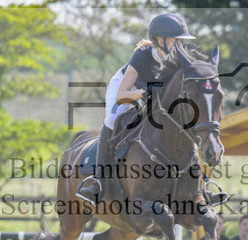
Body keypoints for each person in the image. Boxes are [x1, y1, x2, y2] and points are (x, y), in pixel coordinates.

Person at [76, 12, 196, 205]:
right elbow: (121, 95)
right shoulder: (141, 56)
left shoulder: (178, 60)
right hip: (127, 87)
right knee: (113, 119)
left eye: (182, 41)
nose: (181, 46)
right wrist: (143, 92)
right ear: (161, 40)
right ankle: (98, 180)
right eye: (177, 40)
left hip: (154, 94)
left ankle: (202, 185)